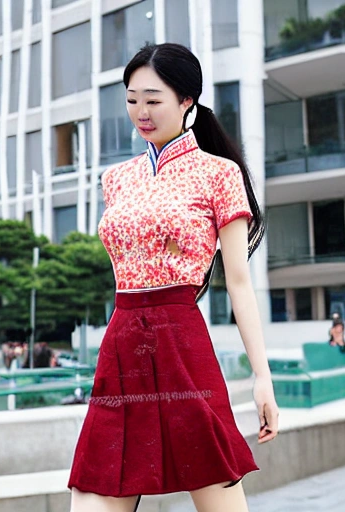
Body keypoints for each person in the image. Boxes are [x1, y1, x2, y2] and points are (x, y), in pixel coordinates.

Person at [68, 43, 279, 512]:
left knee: (217, 490)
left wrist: (261, 378)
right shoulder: (116, 179)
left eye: (153, 99)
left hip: (182, 343)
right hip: (122, 345)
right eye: (131, 99)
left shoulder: (219, 174)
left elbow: (238, 284)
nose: (140, 112)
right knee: (94, 489)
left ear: (187, 101)